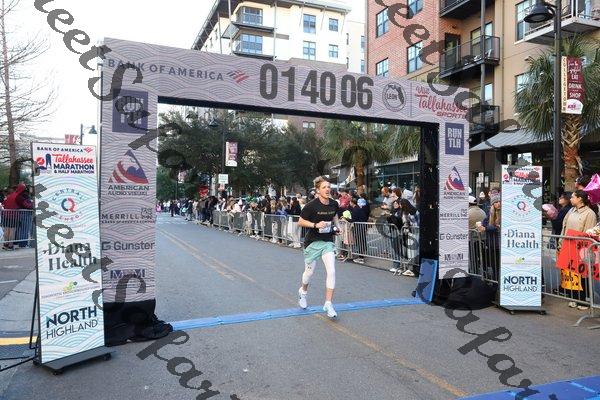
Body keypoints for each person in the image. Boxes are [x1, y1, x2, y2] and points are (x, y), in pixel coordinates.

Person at [297, 176, 341, 318]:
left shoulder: (334, 204)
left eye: (329, 187)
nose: (327, 189)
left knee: (332, 271)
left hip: (327, 241)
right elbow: (300, 222)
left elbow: (335, 216)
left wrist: (338, 227)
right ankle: (303, 292)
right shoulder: (311, 206)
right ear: (318, 190)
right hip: (312, 242)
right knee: (308, 273)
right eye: (324, 187)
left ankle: (328, 303)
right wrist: (316, 225)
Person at [560, 190, 597, 309]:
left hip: (582, 248)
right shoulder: (571, 210)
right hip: (569, 246)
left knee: (583, 274)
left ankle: (585, 300)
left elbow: (589, 233)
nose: (570, 199)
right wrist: (561, 241)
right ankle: (575, 298)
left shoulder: (589, 213)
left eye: (573, 197)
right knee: (572, 273)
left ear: (580, 199)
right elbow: (564, 226)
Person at [478, 194, 501, 280]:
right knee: (494, 265)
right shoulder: (490, 213)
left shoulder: (503, 213)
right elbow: (485, 222)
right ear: (493, 204)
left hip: (499, 244)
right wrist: (481, 226)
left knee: (499, 265)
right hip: (491, 244)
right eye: (496, 202)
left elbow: (497, 227)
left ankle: (498, 281)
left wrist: (486, 228)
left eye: (500, 201)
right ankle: (495, 280)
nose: (498, 203)